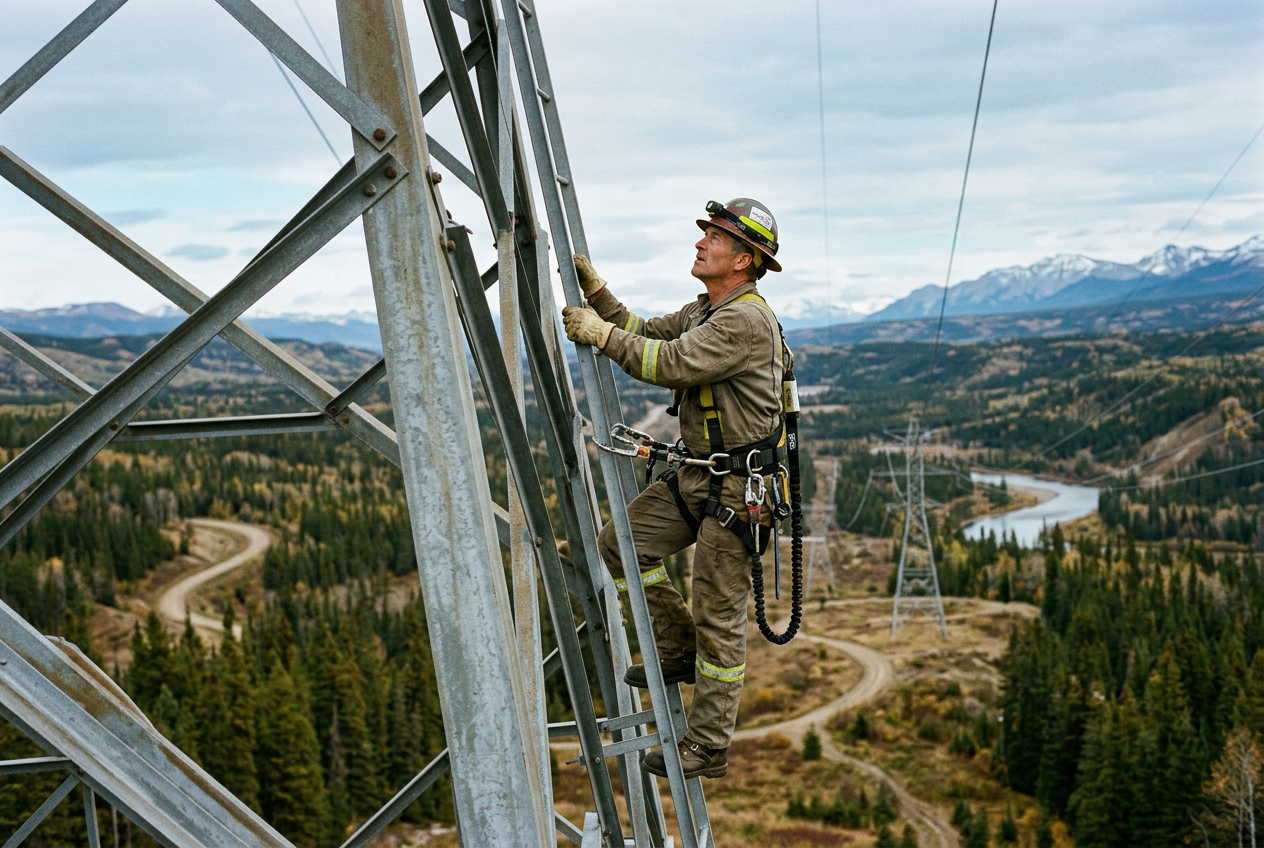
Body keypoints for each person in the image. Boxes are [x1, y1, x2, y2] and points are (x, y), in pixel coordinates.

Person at [561, 198, 788, 780]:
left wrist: (599, 335)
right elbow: (643, 330)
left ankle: (708, 744)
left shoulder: (743, 321)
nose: (700, 242)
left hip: (738, 492)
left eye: (714, 237)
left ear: (744, 259)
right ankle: (673, 644)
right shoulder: (706, 310)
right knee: (620, 545)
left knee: (721, 620)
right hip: (697, 477)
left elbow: (667, 363)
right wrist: (600, 296)